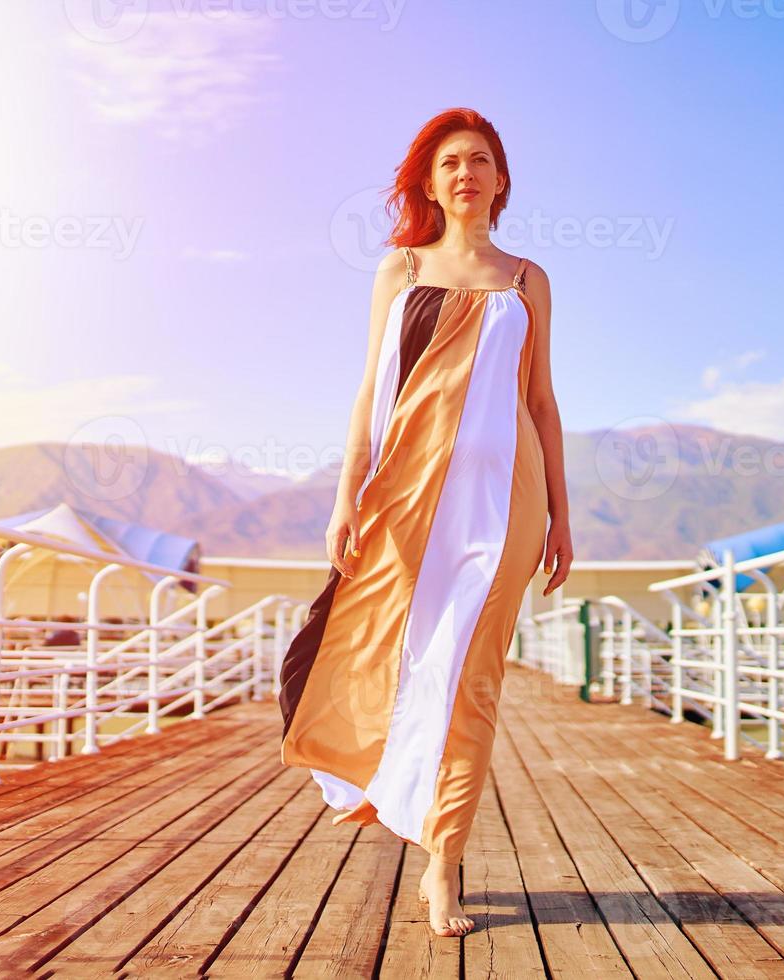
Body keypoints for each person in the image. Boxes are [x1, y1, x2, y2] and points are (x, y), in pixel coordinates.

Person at [276, 108, 572, 937]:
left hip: (507, 504)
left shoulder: (526, 279)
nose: (465, 173)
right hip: (404, 494)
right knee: (385, 649)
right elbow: (371, 394)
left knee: (472, 679)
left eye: (480, 160)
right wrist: (345, 496)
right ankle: (371, 778)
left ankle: (444, 860)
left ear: (501, 178)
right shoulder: (400, 271)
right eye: (449, 163)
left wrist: (561, 514)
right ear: (430, 180)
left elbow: (542, 402)